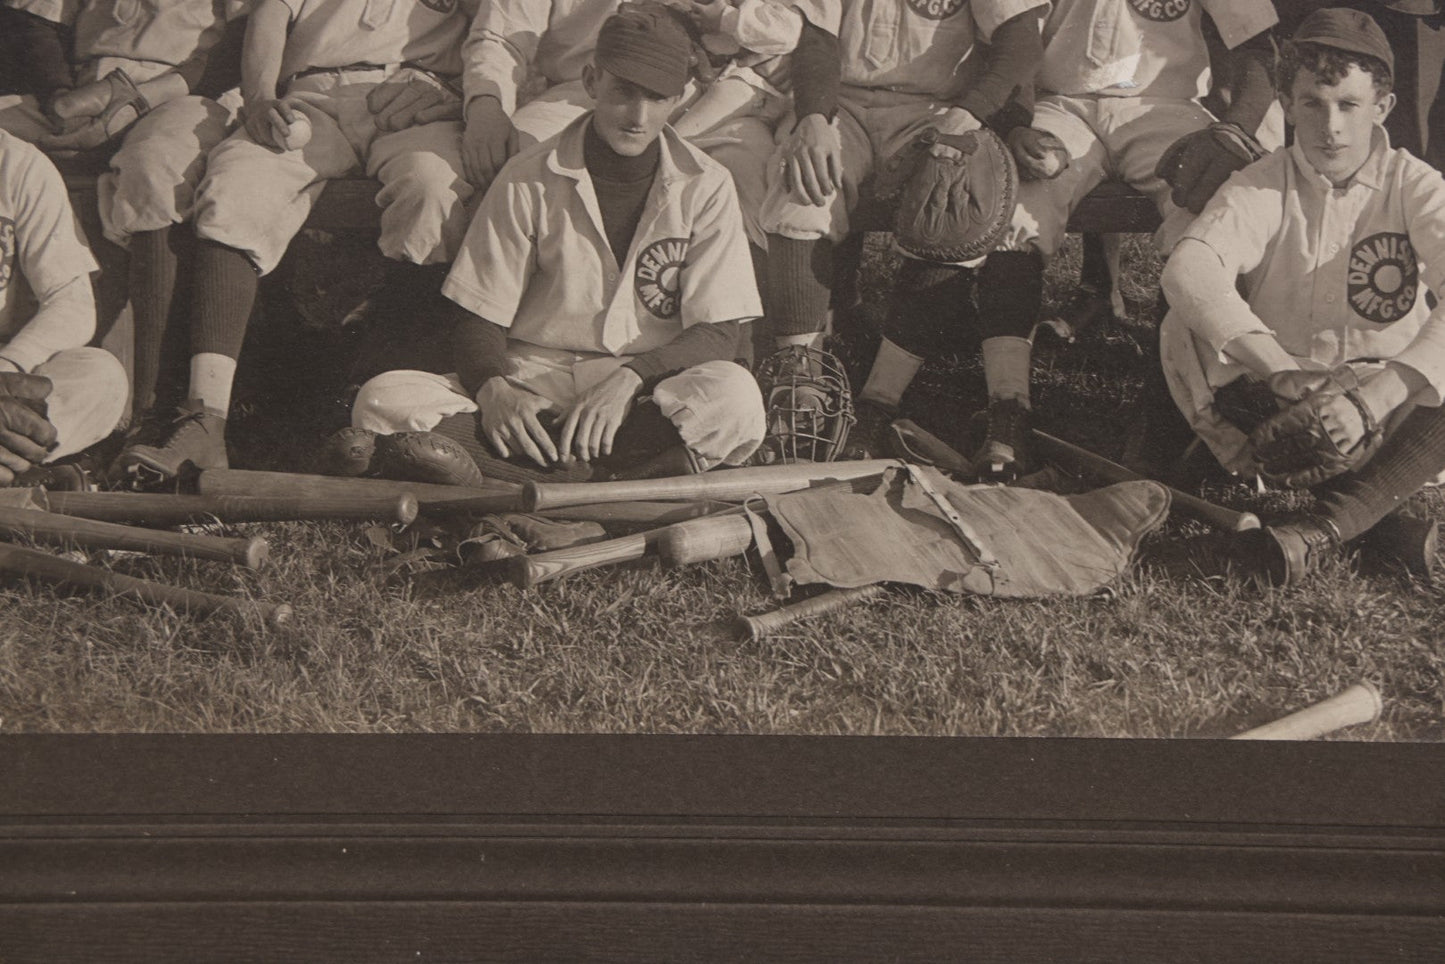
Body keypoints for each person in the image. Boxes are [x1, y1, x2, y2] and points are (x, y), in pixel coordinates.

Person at [331, 5, 767, 483]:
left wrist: (630, 379)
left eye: (657, 97)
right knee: (381, 399)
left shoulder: (706, 184)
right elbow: (477, 316)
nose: (639, 117)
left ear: (680, 98)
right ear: (592, 80)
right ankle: (624, 480)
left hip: (640, 389)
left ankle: (509, 477)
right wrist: (495, 387)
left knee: (737, 400)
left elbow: (719, 332)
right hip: (535, 379)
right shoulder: (527, 176)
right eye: (624, 91)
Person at [887, 0, 1278, 482]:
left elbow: (1257, 46)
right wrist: (1016, 122)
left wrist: (1235, 127)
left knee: (1205, 226)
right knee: (1016, 207)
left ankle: (1169, 421)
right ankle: (1009, 409)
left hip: (1166, 106)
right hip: (1062, 105)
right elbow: (1013, 38)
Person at [109, 0, 483, 487]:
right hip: (313, 94)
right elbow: (269, 17)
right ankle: (206, 417)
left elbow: (500, 35)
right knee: (238, 182)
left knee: (433, 191)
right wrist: (261, 97)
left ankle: (379, 423)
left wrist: (463, 99)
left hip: (421, 99)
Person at [1160, 7, 1445, 585]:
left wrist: (1373, 400)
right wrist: (1279, 372)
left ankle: (1324, 527)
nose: (1331, 126)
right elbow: (1191, 268)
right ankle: (1375, 512)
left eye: (1349, 105)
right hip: (1283, 403)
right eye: (1312, 103)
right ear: (1287, 106)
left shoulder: (1414, 183)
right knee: (1180, 323)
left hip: (1387, 405)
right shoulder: (1263, 181)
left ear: (1383, 107)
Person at [753, 0, 1048, 468]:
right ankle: (799, 388)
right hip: (841, 102)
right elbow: (816, 36)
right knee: (801, 191)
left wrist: (973, 111)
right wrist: (812, 116)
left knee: (950, 212)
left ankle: (879, 401)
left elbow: (1020, 40)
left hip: (934, 108)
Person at [0, 0, 248, 419]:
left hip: (181, 92)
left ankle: (150, 407)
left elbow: (243, 45)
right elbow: (37, 21)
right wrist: (61, 93)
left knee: (155, 169)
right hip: (83, 91)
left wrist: (135, 99)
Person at [0, 130, 128, 484]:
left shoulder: (18, 163)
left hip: (8, 370)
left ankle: (12, 465)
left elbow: (72, 304)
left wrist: (9, 365)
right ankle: (21, 474)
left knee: (102, 375)